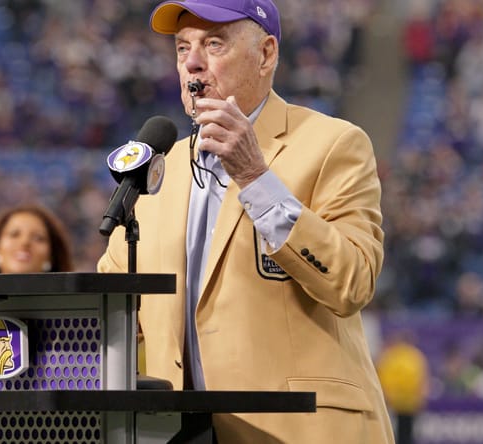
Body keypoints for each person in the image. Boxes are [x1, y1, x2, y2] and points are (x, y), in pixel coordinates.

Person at [97, 0, 393, 441]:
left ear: (266, 54)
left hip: (300, 429)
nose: (192, 63)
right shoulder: (160, 171)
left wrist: (255, 177)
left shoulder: (334, 144)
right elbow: (112, 316)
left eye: (214, 44)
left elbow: (353, 282)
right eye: (182, 48)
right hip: (180, 433)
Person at [0, 204, 74, 274]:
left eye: (37, 238)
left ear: (52, 255)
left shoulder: (77, 296)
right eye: (14, 234)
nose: (25, 242)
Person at [377, 331, 429, 444]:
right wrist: (421, 398)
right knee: (406, 435)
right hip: (407, 404)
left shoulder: (390, 356)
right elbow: (423, 380)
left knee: (393, 435)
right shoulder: (416, 356)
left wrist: (385, 397)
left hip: (395, 403)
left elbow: (382, 378)